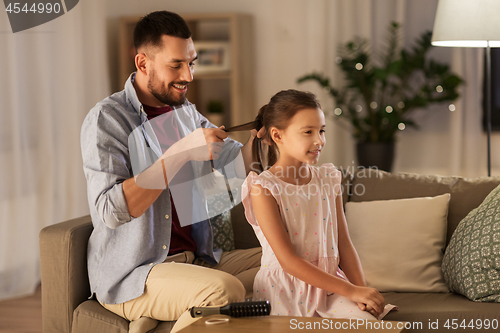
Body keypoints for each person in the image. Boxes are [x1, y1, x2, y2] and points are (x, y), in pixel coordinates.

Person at [81, 10, 261, 332]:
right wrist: (179, 153)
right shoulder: (108, 119)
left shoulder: (186, 114)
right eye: (176, 65)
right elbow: (110, 211)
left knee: (283, 264)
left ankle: (162, 318)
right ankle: (165, 311)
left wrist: (261, 140)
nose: (189, 75)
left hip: (196, 261)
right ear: (142, 63)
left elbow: (236, 165)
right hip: (136, 274)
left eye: (191, 62)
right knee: (226, 291)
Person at [241, 90, 396, 319]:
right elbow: (289, 261)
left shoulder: (327, 179)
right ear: (277, 135)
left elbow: (344, 245)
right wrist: (351, 290)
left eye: (322, 131)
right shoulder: (263, 187)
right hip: (283, 293)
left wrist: (361, 292)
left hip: (331, 289)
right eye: (308, 132)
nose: (319, 140)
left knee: (367, 324)